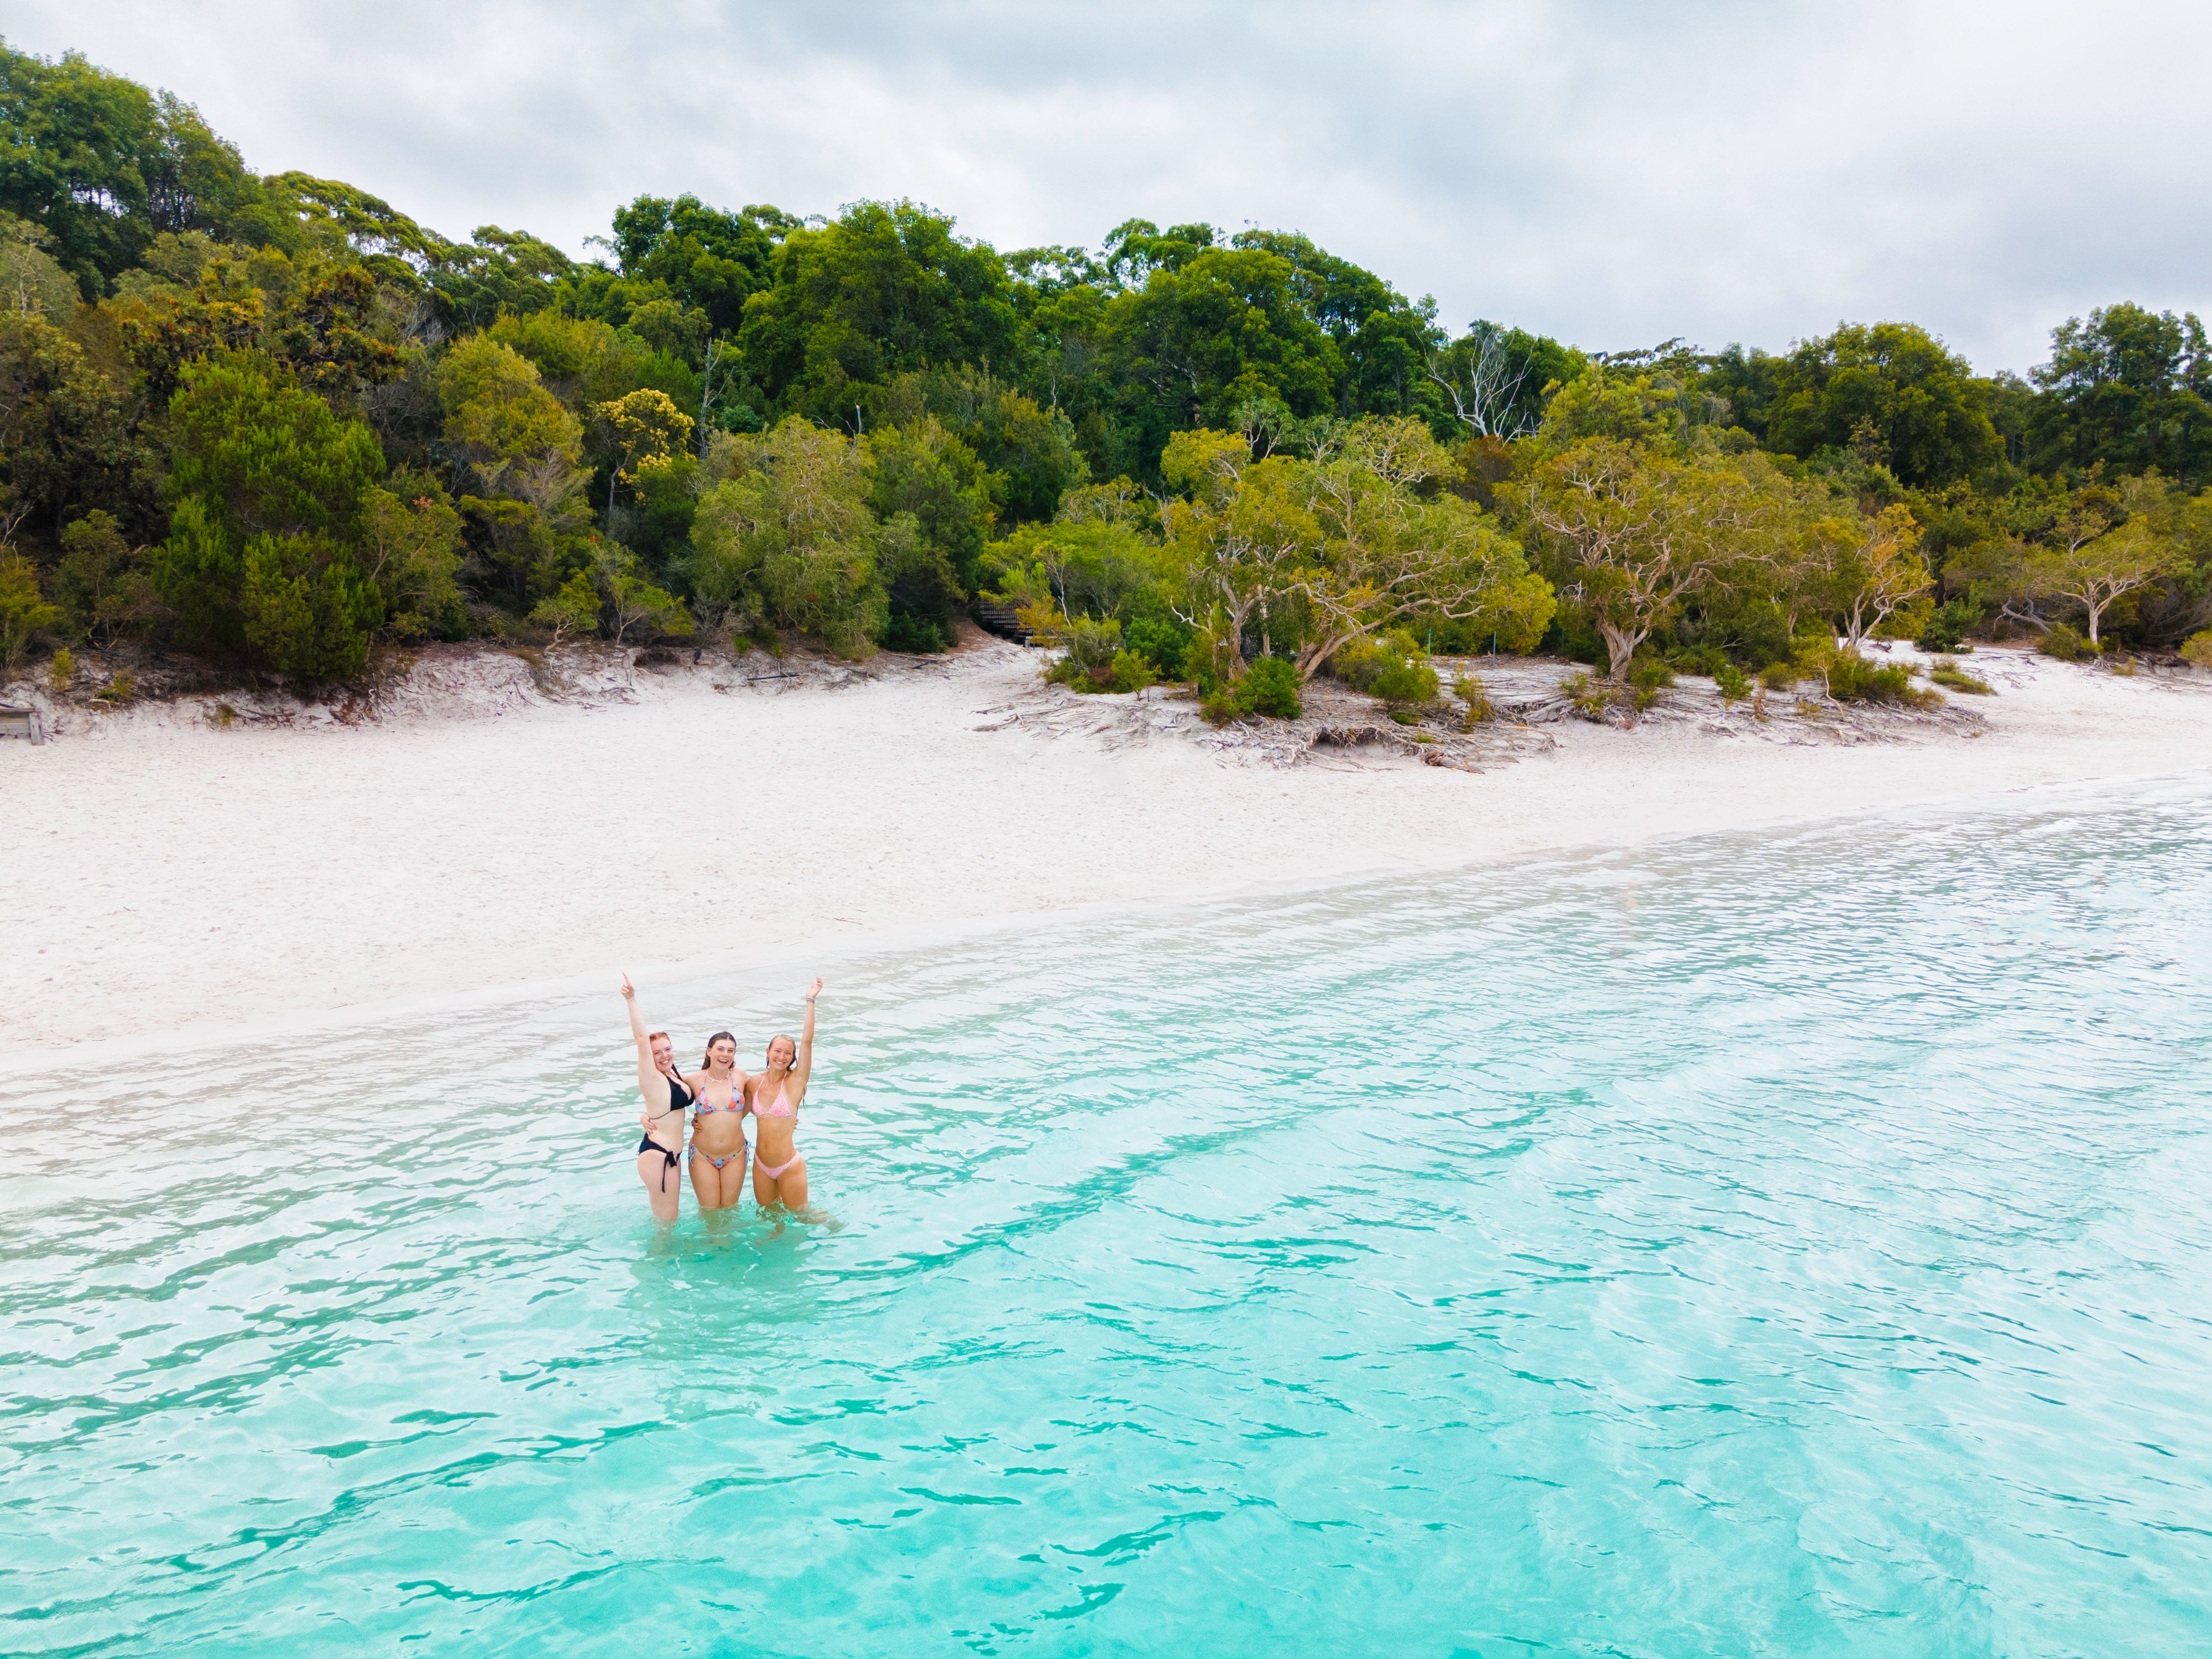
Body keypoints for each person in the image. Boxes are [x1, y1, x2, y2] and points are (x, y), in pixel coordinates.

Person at [620, 973, 698, 1222]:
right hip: (658, 1155)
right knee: (665, 1225)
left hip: (670, 1156)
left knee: (669, 1223)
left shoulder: (674, 1074)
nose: (664, 1056)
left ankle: (663, 1260)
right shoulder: (651, 1077)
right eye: (657, 1053)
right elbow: (642, 1040)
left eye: (668, 1049)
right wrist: (632, 1000)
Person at [749, 978, 823, 1211]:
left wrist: (810, 1000)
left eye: (788, 1054)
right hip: (761, 1165)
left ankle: (839, 1230)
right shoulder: (754, 1083)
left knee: (803, 1216)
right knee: (768, 1217)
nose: (782, 1057)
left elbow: (807, 1042)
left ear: (793, 1058)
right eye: (778, 1051)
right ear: (768, 1052)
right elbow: (731, 1110)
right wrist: (700, 1122)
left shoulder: (794, 1083)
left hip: (789, 1166)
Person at [687, 1026, 753, 1212]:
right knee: (710, 1212)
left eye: (730, 1050)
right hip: (702, 1156)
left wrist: (787, 1118)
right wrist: (646, 1117)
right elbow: (667, 1098)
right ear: (709, 1051)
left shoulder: (740, 1077)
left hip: (736, 1154)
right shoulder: (693, 1080)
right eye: (720, 1049)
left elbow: (761, 1096)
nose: (725, 1055)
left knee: (731, 1211)